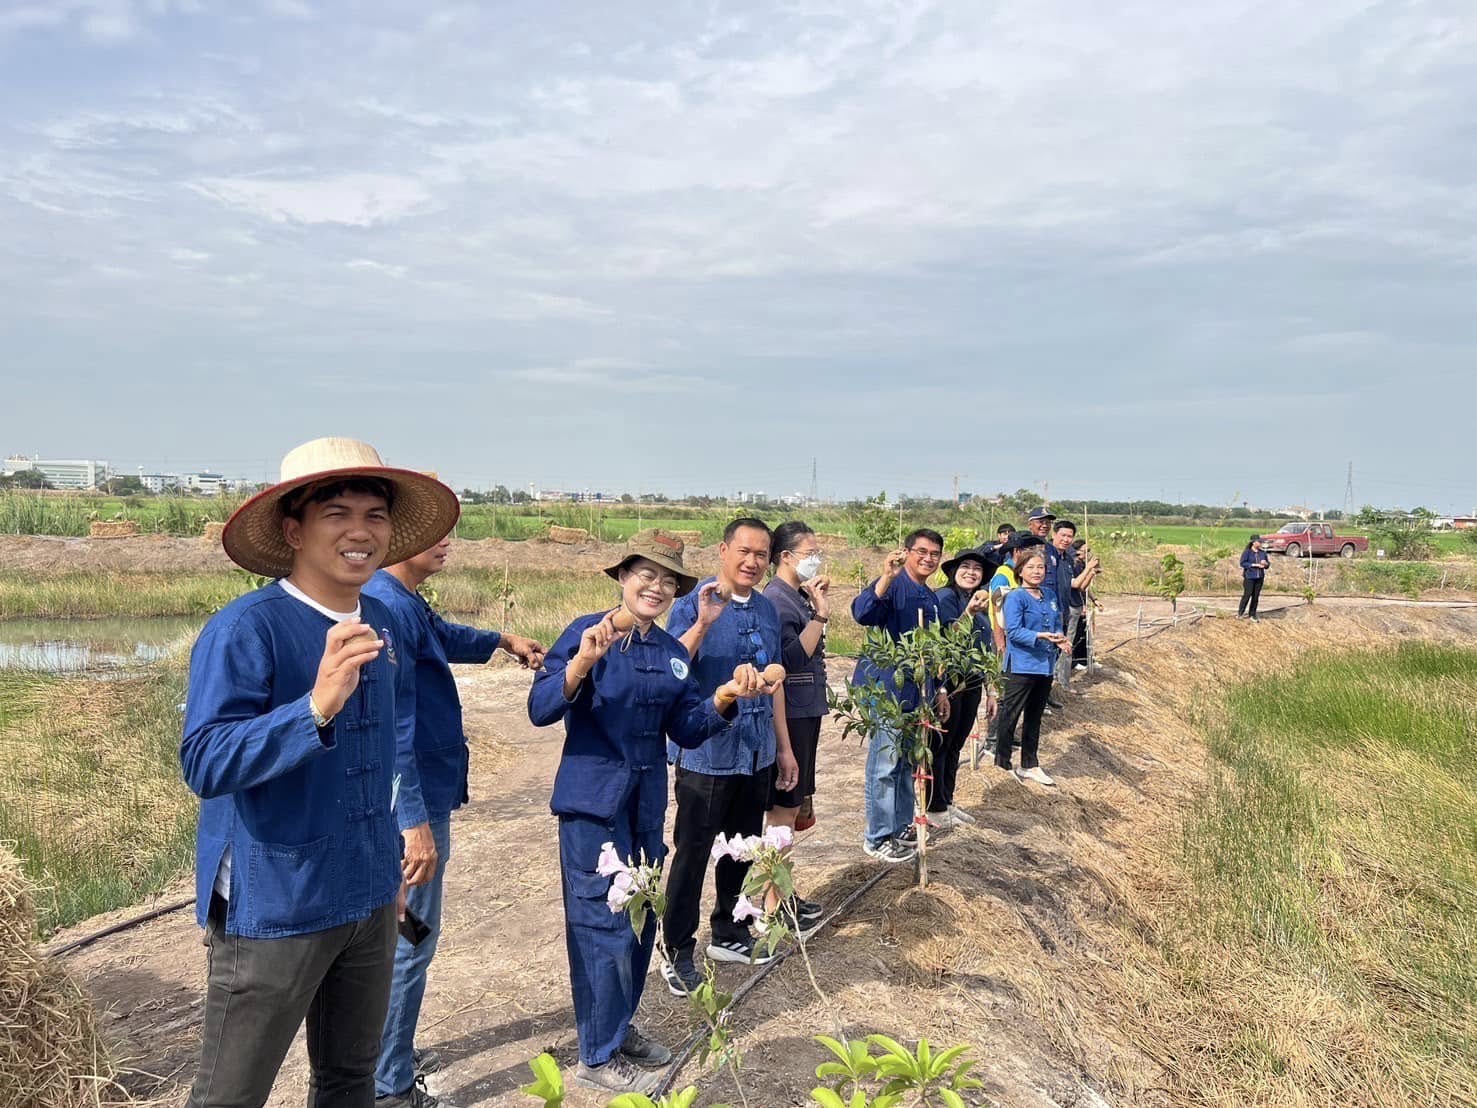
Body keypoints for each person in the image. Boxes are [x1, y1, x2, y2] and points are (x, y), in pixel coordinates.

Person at [180, 437, 460, 1108]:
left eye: (374, 514)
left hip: (365, 896)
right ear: (293, 528)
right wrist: (313, 707)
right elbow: (207, 760)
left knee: (347, 1079)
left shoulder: (381, 620)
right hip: (275, 900)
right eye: (337, 513)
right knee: (230, 1093)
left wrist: (388, 869)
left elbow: (381, 762)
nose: (360, 532)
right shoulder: (249, 628)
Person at [527, 529, 776, 1096]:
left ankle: (619, 1027)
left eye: (669, 580)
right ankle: (596, 1052)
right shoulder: (586, 633)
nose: (657, 587)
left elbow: (684, 727)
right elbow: (541, 708)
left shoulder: (670, 656)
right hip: (593, 809)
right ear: (621, 577)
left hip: (643, 810)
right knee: (601, 928)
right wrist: (580, 666)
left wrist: (723, 700)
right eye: (646, 574)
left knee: (640, 924)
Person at [365, 532, 546, 1107]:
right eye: (434, 533)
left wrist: (502, 639)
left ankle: (386, 1052)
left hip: (416, 796)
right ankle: (389, 1084)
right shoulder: (389, 605)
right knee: (409, 939)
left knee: (399, 934)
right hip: (408, 805)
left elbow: (443, 636)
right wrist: (412, 820)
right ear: (399, 537)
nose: (447, 542)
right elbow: (393, 728)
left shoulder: (402, 599)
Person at [661, 519, 800, 993]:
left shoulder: (765, 609)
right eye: (744, 551)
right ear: (723, 550)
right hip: (707, 751)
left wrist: (784, 747)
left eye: (762, 555)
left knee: (741, 846)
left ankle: (729, 929)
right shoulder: (692, 604)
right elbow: (673, 667)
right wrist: (703, 623)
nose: (752, 562)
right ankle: (676, 946)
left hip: (755, 750)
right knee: (694, 851)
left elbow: (775, 683)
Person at [851, 529, 951, 864]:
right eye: (921, 551)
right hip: (886, 691)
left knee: (909, 761)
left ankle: (901, 825)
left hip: (917, 693)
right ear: (906, 552)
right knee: (885, 763)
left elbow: (934, 650)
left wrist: (939, 687)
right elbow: (863, 613)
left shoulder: (931, 598)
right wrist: (885, 577)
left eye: (935, 553)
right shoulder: (893, 585)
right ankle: (877, 836)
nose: (928, 558)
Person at [763, 521, 830, 880]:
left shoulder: (795, 595)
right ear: (785, 557)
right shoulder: (776, 599)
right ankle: (774, 899)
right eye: (810, 554)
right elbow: (790, 661)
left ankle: (781, 893)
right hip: (792, 712)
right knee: (784, 809)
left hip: (805, 708)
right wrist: (820, 615)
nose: (816, 560)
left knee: (793, 804)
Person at [929, 551, 998, 826]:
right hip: (950, 683)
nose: (971, 572)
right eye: (965, 567)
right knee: (941, 744)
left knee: (956, 744)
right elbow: (943, 640)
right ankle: (933, 807)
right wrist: (968, 613)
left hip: (972, 684)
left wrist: (992, 691)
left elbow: (988, 650)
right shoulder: (944, 599)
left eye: (977, 569)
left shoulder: (980, 605)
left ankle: (947, 801)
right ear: (953, 571)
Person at [995, 550, 1070, 787]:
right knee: (1010, 714)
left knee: (1034, 717)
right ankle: (1003, 762)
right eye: (1031, 567)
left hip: (1045, 665)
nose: (1037, 572)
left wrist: (1061, 638)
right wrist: (1039, 635)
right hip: (1021, 665)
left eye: (1040, 567)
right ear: (1020, 571)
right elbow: (1014, 631)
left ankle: (1029, 763)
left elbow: (1057, 622)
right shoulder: (1016, 597)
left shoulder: (1048, 594)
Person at [1047, 520, 1100, 696]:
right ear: (1054, 535)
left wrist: (1090, 570)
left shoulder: (1067, 559)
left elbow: (1076, 584)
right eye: (1063, 535)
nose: (1066, 539)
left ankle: (1056, 688)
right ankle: (1058, 686)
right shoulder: (1045, 555)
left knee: (1060, 650)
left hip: (1064, 612)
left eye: (1070, 536)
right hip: (1048, 612)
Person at [1238, 535, 1270, 620]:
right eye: (1259, 541)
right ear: (1253, 542)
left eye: (1261, 542)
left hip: (1259, 577)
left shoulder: (1262, 553)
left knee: (1256, 596)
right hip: (1249, 576)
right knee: (1247, 595)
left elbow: (1267, 565)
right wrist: (1254, 565)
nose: (1260, 543)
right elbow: (1242, 563)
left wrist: (1265, 564)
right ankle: (1240, 613)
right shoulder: (1247, 552)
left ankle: (1252, 614)